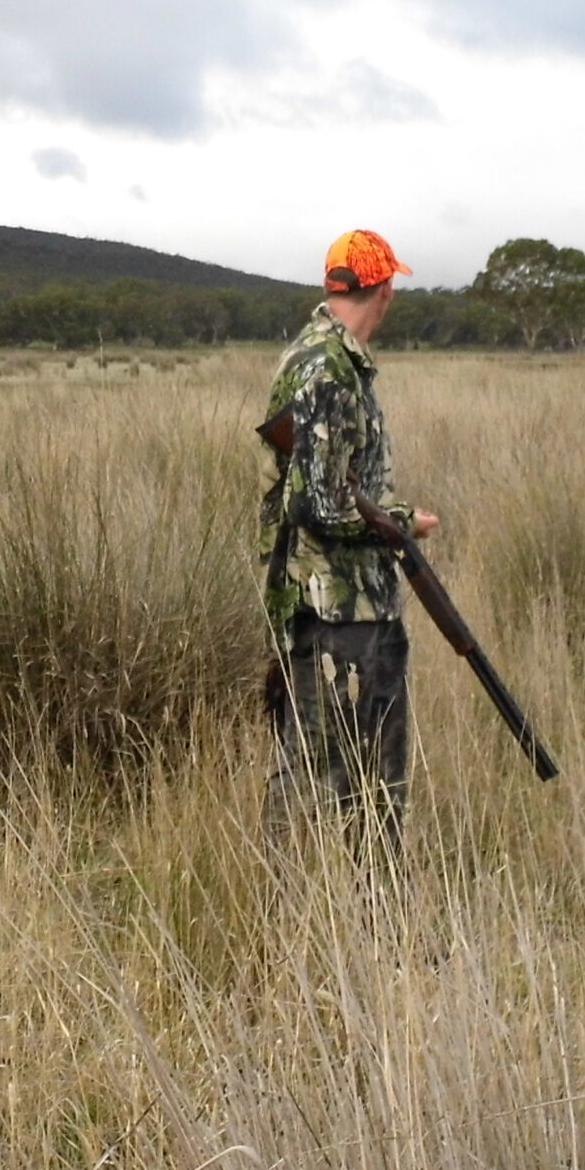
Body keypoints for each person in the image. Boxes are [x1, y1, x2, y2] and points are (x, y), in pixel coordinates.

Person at [260, 229, 439, 851]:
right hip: (340, 607)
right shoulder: (327, 367)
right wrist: (400, 519)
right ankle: (371, 919)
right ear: (384, 288)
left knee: (315, 767)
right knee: (359, 780)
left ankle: (302, 912)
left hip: (331, 603)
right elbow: (319, 502)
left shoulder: (320, 356)